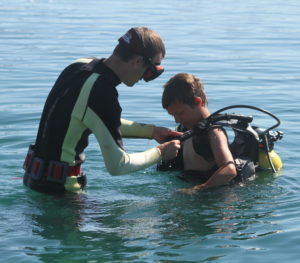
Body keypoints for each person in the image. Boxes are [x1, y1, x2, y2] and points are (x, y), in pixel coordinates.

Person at [23, 27, 181, 194]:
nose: (145, 78)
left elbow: (94, 119)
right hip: (63, 194)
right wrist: (161, 152)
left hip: (33, 180)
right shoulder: (102, 92)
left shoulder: (80, 64)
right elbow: (118, 165)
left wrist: (151, 131)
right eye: (151, 70)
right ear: (137, 61)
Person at [161, 73, 237, 194]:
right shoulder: (185, 130)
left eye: (180, 113)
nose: (176, 119)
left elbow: (229, 169)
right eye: (173, 115)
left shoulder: (214, 132)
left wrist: (197, 189)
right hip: (189, 191)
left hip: (213, 198)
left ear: (197, 102)